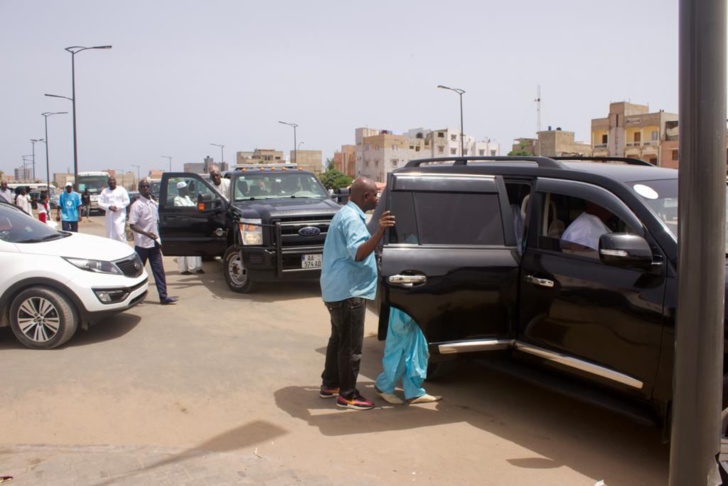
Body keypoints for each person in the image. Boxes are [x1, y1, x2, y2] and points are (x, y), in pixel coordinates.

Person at [319, 177, 395, 410]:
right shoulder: (352, 219)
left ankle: (330, 385)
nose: (377, 198)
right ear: (365, 197)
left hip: (338, 289)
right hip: (348, 292)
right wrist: (380, 231)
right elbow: (359, 253)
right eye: (374, 195)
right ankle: (348, 395)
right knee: (351, 346)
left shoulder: (346, 214)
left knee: (338, 340)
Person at [374, 308, 442, 405]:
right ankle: (384, 386)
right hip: (406, 304)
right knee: (401, 350)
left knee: (416, 351)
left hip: (415, 306)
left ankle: (414, 392)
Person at [128, 179, 178, 305]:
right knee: (137, 272)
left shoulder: (153, 204)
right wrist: (146, 234)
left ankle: (163, 296)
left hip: (154, 243)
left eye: (147, 186)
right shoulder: (137, 205)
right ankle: (133, 296)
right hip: (142, 244)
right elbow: (132, 225)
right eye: (142, 186)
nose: (145, 188)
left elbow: (158, 222)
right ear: (139, 189)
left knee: (159, 271)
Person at [172, 181, 203, 274]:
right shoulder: (177, 199)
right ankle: (183, 269)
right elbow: (183, 210)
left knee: (195, 246)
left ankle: (197, 267)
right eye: (186, 189)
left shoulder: (187, 198)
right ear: (181, 190)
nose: (188, 190)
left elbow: (193, 208)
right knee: (183, 248)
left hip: (191, 224)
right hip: (183, 226)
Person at [98, 176, 130, 243]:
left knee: (119, 233)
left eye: (113, 181)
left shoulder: (121, 190)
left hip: (119, 216)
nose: (112, 182)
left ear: (115, 182)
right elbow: (99, 202)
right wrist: (108, 207)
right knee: (110, 235)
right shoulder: (105, 191)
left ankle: (124, 248)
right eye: (110, 181)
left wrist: (118, 207)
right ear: (108, 182)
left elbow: (127, 201)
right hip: (109, 217)